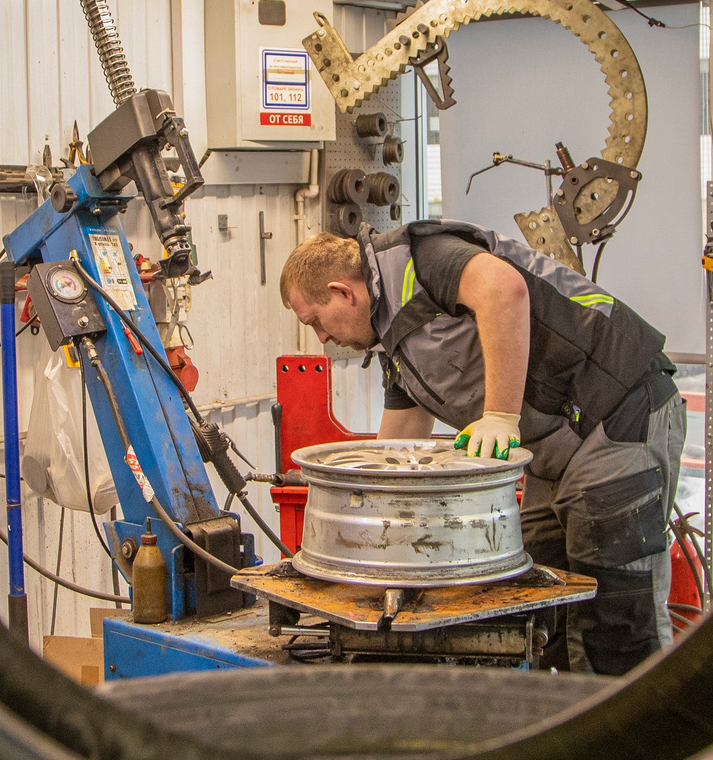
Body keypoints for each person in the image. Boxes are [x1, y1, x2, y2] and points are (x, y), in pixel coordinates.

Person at [280, 224, 686, 674]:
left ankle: (647, 716)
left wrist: (499, 416)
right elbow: (398, 445)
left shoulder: (424, 258)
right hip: (558, 451)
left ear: (342, 292)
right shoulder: (395, 343)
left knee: (617, 616)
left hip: (618, 410)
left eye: (314, 321)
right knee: (537, 602)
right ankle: (568, 712)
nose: (321, 337)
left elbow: (504, 289)